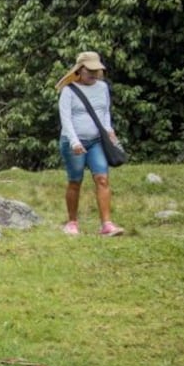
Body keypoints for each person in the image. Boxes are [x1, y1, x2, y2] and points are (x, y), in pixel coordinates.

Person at [57, 51, 125, 236]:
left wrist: (109, 130)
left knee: (102, 178)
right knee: (75, 181)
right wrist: (74, 142)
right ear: (80, 70)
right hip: (73, 142)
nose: (94, 74)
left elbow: (104, 111)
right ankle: (72, 222)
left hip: (96, 141)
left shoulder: (103, 87)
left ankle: (107, 224)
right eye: (90, 70)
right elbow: (66, 119)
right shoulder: (68, 90)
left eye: (97, 70)